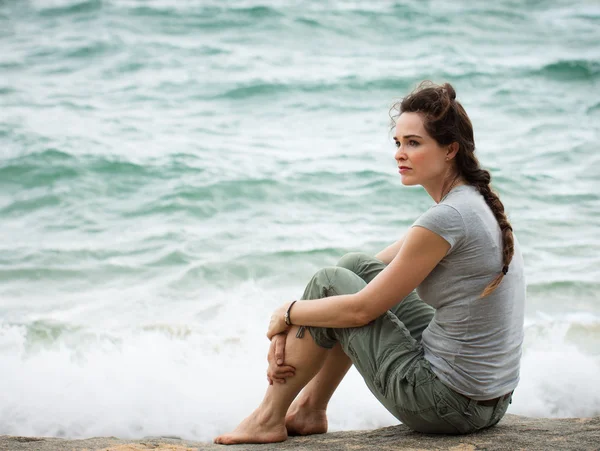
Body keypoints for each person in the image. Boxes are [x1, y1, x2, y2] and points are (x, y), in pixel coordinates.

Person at [214, 81, 525, 445]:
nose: (399, 154)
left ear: (450, 150)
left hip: (447, 403)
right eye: (397, 143)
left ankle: (269, 417)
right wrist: (301, 320)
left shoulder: (446, 218)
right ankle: (310, 408)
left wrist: (287, 314)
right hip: (490, 400)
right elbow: (362, 272)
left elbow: (361, 310)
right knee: (348, 269)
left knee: (330, 282)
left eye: (414, 143)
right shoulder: (473, 201)